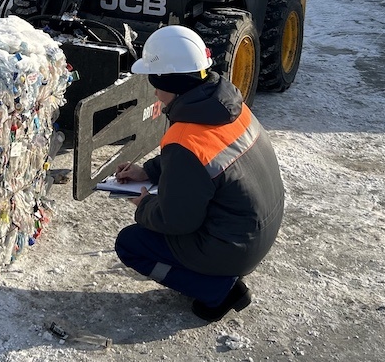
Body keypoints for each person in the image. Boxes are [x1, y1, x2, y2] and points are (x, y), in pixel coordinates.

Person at [112, 25, 285, 322]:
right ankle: (215, 277)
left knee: (131, 244)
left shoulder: (184, 140)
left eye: (156, 83)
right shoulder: (226, 105)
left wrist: (144, 207)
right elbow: (203, 161)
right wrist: (148, 171)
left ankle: (218, 290)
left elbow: (176, 221)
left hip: (235, 248)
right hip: (259, 229)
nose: (155, 92)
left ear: (172, 82)